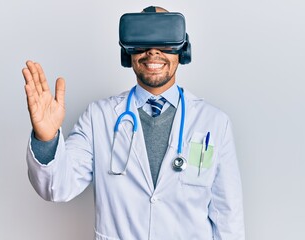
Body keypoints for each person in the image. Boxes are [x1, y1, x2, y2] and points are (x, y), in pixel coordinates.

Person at [23, 6, 245, 240]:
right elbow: (57, 186)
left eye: (165, 41)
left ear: (184, 50)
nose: (153, 52)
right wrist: (46, 138)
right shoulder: (99, 117)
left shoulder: (214, 122)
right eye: (142, 41)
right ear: (126, 53)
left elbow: (228, 217)